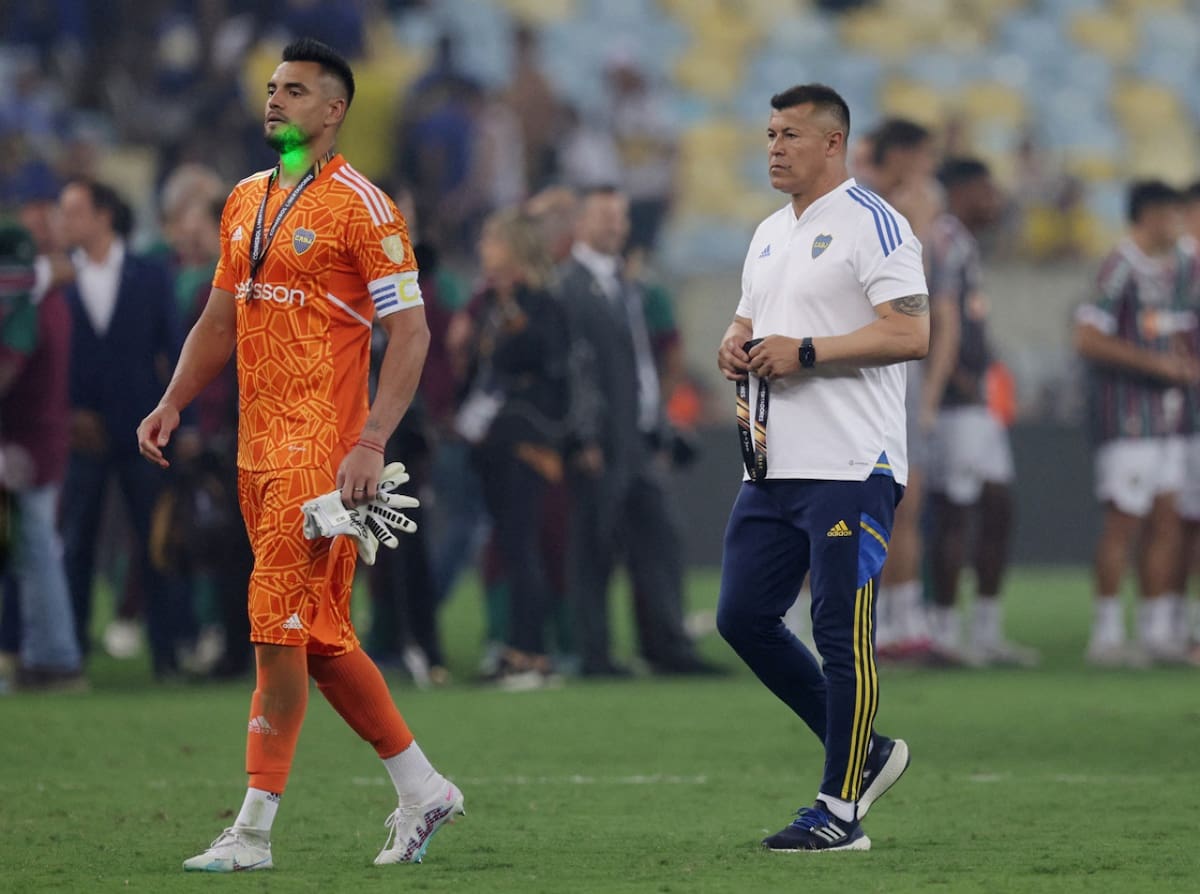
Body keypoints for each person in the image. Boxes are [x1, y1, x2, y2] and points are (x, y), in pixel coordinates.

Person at [135, 38, 462, 872]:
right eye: (273, 87)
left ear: (334, 109)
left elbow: (413, 332)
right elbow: (219, 319)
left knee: (277, 631)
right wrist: (174, 398)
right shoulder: (244, 199)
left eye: (296, 90)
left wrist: (371, 440)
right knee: (313, 635)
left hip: (323, 455)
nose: (275, 100)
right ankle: (423, 789)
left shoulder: (367, 207)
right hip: (255, 448)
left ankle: (250, 832)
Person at [715, 84, 926, 852]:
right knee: (741, 616)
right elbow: (748, 318)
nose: (774, 146)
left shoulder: (876, 222)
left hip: (850, 463)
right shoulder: (770, 232)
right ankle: (865, 752)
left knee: (842, 631)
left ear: (833, 143)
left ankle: (841, 813)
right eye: (770, 132)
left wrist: (808, 353)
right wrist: (733, 343)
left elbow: (911, 333)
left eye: (791, 134)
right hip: (772, 466)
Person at [559, 185, 715, 677]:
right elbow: (572, 368)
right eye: (605, 217)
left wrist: (660, 421)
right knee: (595, 546)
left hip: (641, 434)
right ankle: (595, 653)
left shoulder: (632, 284)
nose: (616, 227)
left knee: (659, 539)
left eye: (620, 218)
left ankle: (666, 645)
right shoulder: (567, 286)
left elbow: (650, 360)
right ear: (580, 223)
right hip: (602, 438)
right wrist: (582, 436)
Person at [58, 177, 183, 677]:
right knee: (75, 546)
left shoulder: (150, 275)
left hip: (143, 429)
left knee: (155, 544)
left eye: (74, 212)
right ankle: (70, 652)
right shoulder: (62, 278)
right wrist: (65, 414)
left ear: (103, 214)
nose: (65, 224)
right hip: (80, 433)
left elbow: (174, 351)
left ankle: (168, 653)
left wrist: (183, 421)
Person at [1075, 180, 1199, 666]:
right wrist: (1157, 365)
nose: (1178, 223)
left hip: (1170, 421)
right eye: (1170, 214)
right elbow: (1087, 338)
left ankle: (1156, 630)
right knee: (1123, 525)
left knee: (1168, 522)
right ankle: (1105, 634)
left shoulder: (1184, 266)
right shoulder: (1119, 266)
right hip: (1127, 418)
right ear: (1147, 216)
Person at [924, 158, 1037, 666]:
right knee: (956, 511)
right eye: (986, 192)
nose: (995, 201)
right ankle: (943, 630)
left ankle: (985, 629)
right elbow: (931, 316)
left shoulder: (964, 242)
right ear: (962, 191)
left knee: (997, 507)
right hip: (955, 404)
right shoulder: (943, 239)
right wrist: (953, 380)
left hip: (978, 403)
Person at [458, 207, 569, 688]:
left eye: (491, 239)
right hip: (492, 441)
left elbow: (547, 360)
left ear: (513, 249)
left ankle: (534, 655)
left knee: (523, 547)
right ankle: (515, 649)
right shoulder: (488, 304)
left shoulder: (541, 302)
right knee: (508, 546)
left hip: (526, 439)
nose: (483, 247)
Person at [862, 118, 945, 661]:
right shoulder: (866, 213)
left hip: (901, 372)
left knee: (905, 497)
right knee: (847, 499)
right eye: (922, 157)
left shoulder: (922, 210)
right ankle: (817, 617)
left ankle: (900, 617)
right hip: (863, 371)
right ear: (902, 157)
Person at [0, 214, 83, 691]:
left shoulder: (27, 308)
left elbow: (7, 373)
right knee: (37, 553)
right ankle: (48, 656)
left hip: (26, 445)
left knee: (36, 551)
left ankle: (54, 658)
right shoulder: (47, 300)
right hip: (42, 439)